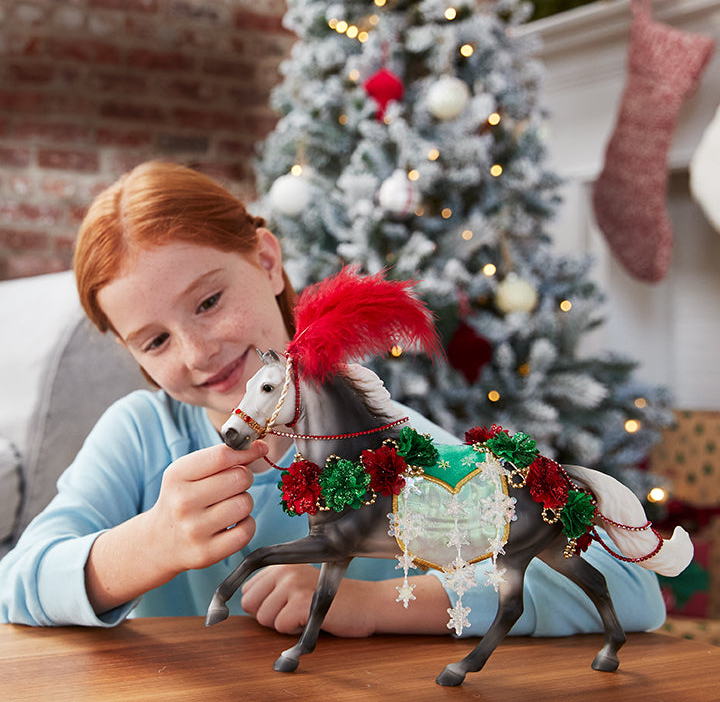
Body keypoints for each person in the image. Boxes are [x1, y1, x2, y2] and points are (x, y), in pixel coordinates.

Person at [0, 161, 666, 637]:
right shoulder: (143, 435)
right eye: (153, 341)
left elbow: (628, 586)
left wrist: (373, 604)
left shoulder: (379, 442)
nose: (197, 353)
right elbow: (16, 584)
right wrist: (152, 544)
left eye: (208, 301)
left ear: (266, 262)